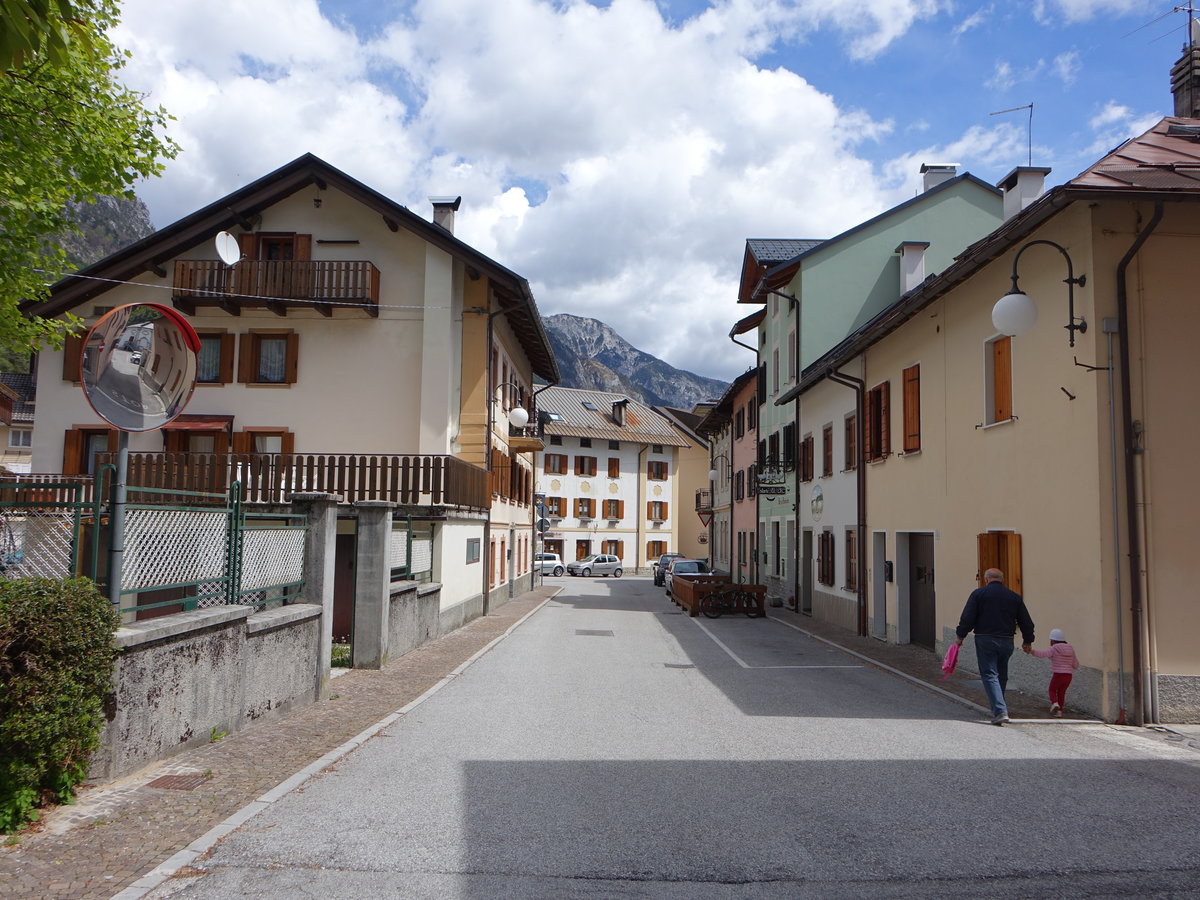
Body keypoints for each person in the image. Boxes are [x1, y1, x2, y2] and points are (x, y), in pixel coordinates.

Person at [955, 568, 1035, 726]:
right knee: (1002, 673)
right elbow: (1026, 621)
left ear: (986, 579)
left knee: (989, 673)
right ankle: (1000, 705)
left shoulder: (978, 594)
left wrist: (960, 635)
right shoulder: (1014, 597)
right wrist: (1028, 640)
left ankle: (1000, 710)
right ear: (1002, 580)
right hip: (1007, 639)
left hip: (985, 638)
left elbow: (968, 617)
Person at [1025, 628, 1080, 717]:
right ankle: (1059, 712)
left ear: (1053, 640)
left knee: (1052, 690)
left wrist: (1032, 651)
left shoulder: (1054, 648)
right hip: (1068, 676)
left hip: (1058, 675)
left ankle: (1055, 703)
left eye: (1050, 640)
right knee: (1061, 693)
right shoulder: (1071, 649)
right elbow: (1076, 664)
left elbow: (1043, 654)